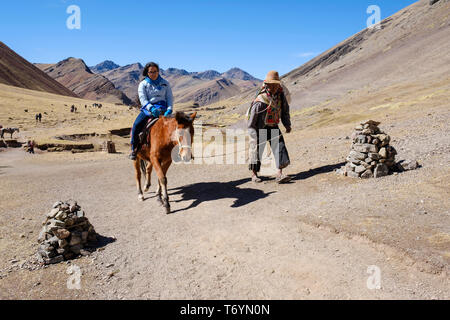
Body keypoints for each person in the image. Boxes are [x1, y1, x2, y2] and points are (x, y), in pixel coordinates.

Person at [247, 70, 292, 184]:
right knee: (257, 150)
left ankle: (279, 174)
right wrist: (252, 132)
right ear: (267, 85)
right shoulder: (260, 100)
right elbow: (252, 119)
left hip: (273, 125)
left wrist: (287, 124)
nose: (275, 86)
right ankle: (254, 174)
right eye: (272, 84)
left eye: (276, 84)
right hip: (260, 127)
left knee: (279, 147)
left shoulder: (280, 95)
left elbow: (285, 111)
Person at [129, 62, 174, 160]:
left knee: (179, 126)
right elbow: (143, 99)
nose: (153, 73)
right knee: (136, 125)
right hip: (149, 110)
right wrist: (151, 108)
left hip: (164, 110)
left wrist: (169, 109)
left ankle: (180, 149)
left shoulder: (165, 83)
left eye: (155, 71)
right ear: (147, 72)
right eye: (151, 72)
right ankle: (134, 149)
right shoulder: (143, 84)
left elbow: (170, 97)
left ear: (158, 71)